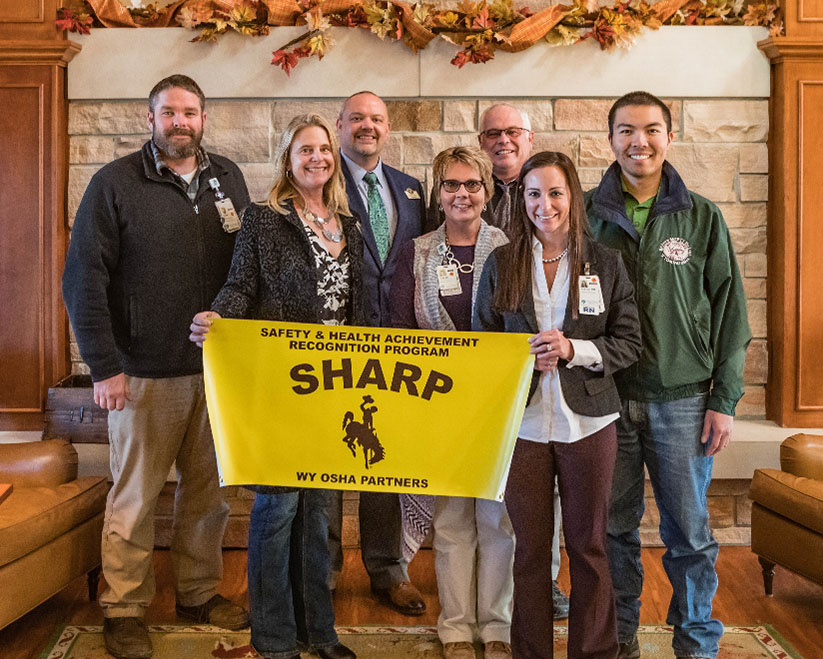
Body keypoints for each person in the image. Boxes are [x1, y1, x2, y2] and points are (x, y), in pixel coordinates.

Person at [61, 74, 250, 659]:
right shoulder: (114, 183)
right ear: (151, 120)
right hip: (141, 373)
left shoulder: (228, 179)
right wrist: (103, 367)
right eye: (169, 113)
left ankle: (197, 593)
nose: (180, 122)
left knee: (207, 497)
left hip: (215, 374)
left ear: (202, 118)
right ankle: (123, 607)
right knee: (135, 497)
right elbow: (82, 280)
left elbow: (246, 267)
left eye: (190, 112)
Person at [586, 91, 751, 659]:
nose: (640, 142)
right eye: (627, 131)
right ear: (609, 140)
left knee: (691, 535)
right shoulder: (585, 215)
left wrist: (723, 399)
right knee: (612, 533)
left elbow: (731, 313)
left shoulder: (701, 216)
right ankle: (620, 639)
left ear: (670, 136)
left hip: (683, 400)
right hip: (603, 398)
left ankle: (697, 642)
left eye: (652, 130)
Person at [189, 114, 359, 659]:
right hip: (282, 387)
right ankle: (275, 637)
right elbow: (240, 286)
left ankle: (319, 631)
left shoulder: (348, 225)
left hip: (335, 390)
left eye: (324, 150)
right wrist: (217, 318)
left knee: (319, 515)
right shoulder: (263, 221)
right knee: (277, 510)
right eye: (305, 150)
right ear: (288, 159)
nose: (317, 158)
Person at [474, 151, 642, 659]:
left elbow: (629, 342)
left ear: (572, 196)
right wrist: (517, 359)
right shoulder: (501, 263)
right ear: (520, 200)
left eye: (554, 192)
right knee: (528, 552)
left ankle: (593, 653)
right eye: (532, 194)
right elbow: (483, 342)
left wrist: (574, 349)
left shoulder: (606, 262)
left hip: (589, 422)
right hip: (522, 426)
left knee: (589, 547)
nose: (544, 204)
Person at [435, 102, 570, 619]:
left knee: (519, 507)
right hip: (450, 392)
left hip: (526, 387)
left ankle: (537, 593)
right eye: (493, 133)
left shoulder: (525, 230)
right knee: (459, 516)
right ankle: (463, 615)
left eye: (512, 131)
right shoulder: (438, 238)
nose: (503, 141)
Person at [392, 146, 512, 659]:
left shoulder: (510, 248)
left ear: (487, 191)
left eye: (472, 185)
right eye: (450, 185)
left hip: (498, 406)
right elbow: (399, 328)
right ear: (437, 192)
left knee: (498, 521)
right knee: (452, 520)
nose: (462, 194)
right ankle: (457, 628)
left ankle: (499, 628)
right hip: (436, 404)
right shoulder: (417, 251)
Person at [332, 90, 428, 616]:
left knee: (383, 463)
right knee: (329, 463)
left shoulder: (412, 190)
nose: (366, 127)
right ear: (339, 125)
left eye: (376, 119)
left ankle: (388, 570)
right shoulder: (320, 180)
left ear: (387, 129)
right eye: (356, 119)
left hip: (399, 348)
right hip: (337, 345)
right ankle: (322, 571)